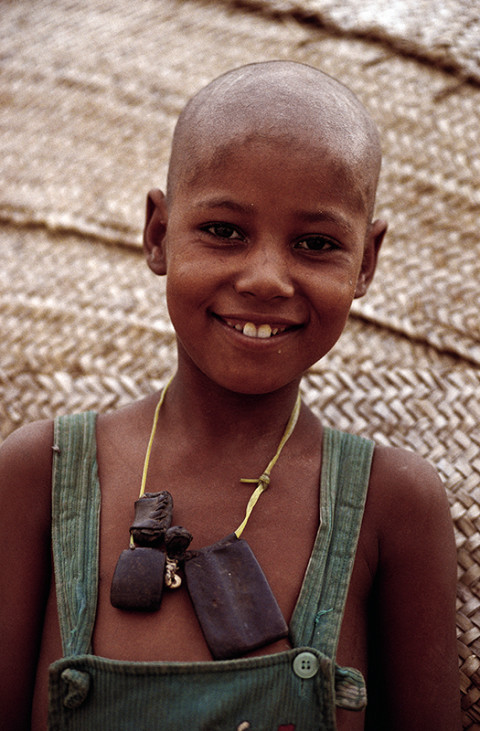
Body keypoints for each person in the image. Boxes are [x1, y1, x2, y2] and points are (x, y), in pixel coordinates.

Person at [0, 61, 460, 730]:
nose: (267, 277)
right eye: (224, 231)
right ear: (158, 233)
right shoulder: (40, 473)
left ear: (366, 261)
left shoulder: (392, 503)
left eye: (315, 243)